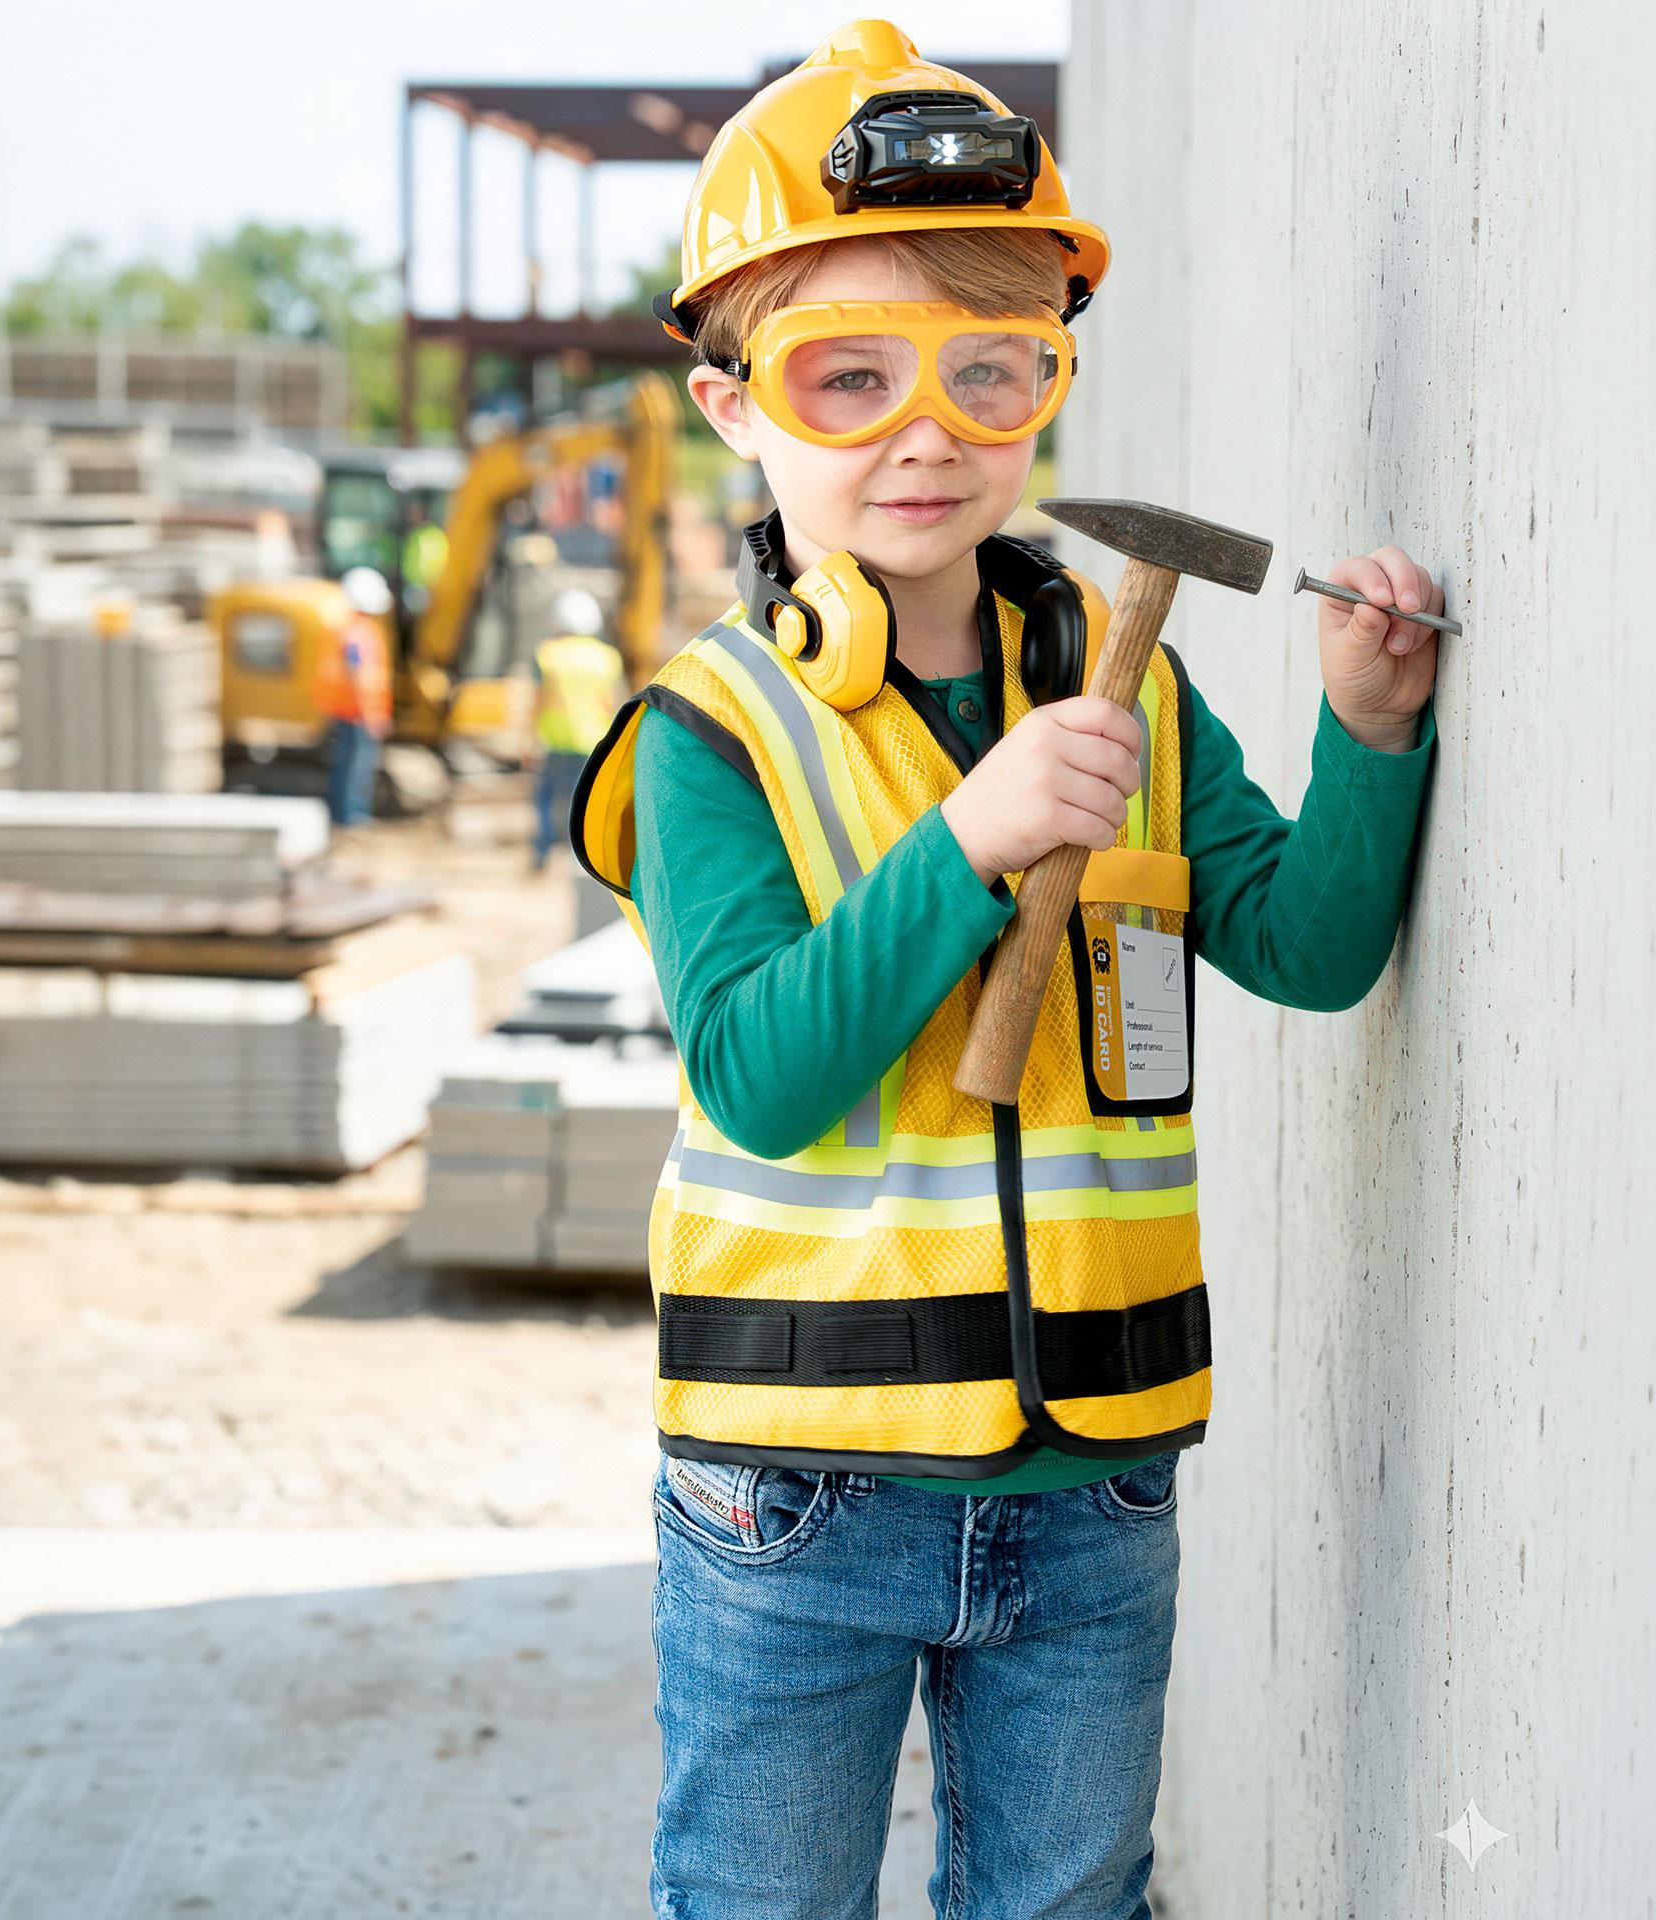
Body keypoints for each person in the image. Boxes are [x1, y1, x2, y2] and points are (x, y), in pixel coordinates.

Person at [573, 22, 1444, 1918]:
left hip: (1097, 1481)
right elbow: (758, 1073)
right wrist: (966, 842)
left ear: (1051, 379)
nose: (927, 431)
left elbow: (1302, 946)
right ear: (731, 404)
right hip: (801, 1487)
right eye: (847, 374)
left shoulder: (1116, 676)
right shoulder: (710, 735)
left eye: (994, 372)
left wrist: (1370, 735)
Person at [529, 588, 625, 869]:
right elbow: (612, 701)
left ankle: (543, 851)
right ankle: (582, 855)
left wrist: (529, 736)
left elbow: (539, 698)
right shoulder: (607, 657)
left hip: (556, 740)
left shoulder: (548, 654)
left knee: (546, 796)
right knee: (584, 799)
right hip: (593, 740)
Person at [313, 565, 393, 827]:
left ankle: (342, 816)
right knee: (356, 771)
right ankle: (352, 818)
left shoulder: (344, 628)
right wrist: (373, 717)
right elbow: (363, 679)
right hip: (357, 714)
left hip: (343, 711)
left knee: (344, 767)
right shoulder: (362, 634)